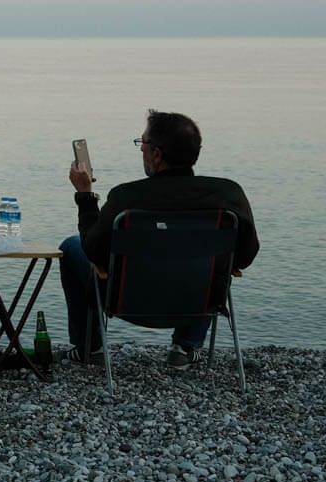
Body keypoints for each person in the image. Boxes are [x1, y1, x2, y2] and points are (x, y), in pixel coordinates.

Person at [59, 109, 260, 368]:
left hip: (129, 300)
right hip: (200, 300)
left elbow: (93, 250)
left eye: (142, 143)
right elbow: (245, 256)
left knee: (71, 246)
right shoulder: (228, 194)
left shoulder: (126, 197)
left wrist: (85, 196)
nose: (141, 149)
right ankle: (185, 348)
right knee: (217, 260)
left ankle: (90, 349)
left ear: (156, 153)